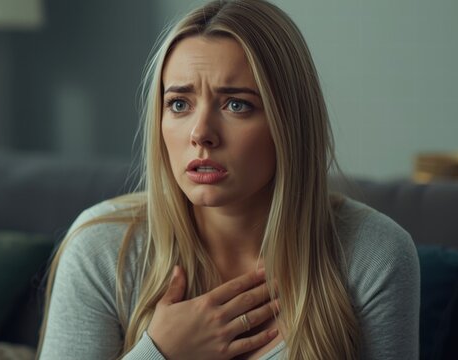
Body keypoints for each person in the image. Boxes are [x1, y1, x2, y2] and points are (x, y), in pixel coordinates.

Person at [37, 0, 420, 359]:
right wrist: (160, 352)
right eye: (179, 104)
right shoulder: (103, 248)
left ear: (289, 123)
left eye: (236, 104)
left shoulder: (375, 255)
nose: (201, 133)